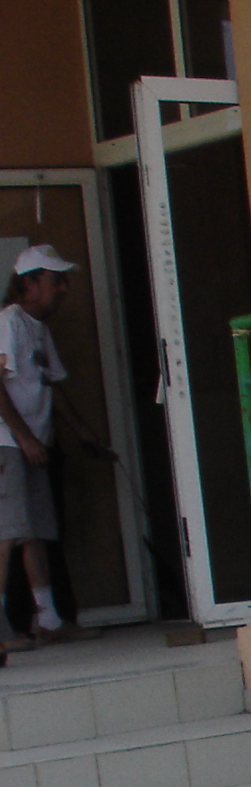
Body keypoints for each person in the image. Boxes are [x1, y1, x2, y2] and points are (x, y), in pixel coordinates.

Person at [0, 244, 78, 657]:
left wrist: (84, 434)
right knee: (8, 534)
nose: (62, 288)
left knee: (35, 533)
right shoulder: (8, 322)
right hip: (8, 443)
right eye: (54, 279)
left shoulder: (39, 329)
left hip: (34, 443)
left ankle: (48, 620)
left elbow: (53, 386)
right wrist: (25, 438)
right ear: (29, 282)